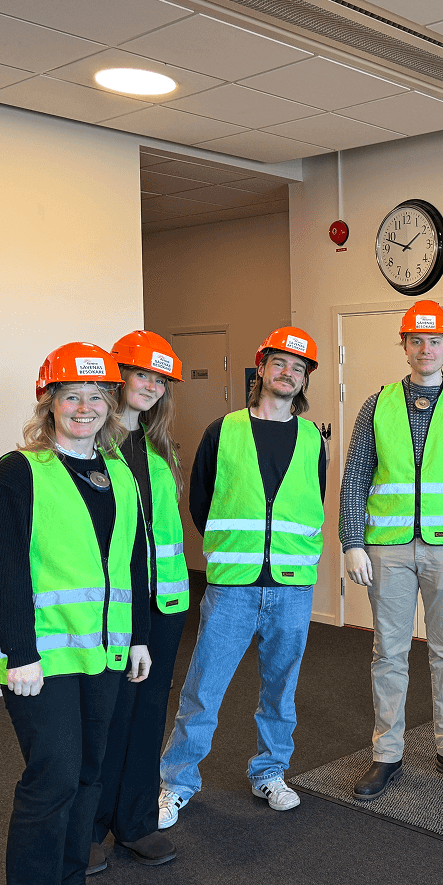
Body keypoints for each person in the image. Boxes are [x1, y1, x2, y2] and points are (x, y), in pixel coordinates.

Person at [0, 343, 150, 885]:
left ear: (110, 405)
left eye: (96, 396)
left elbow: (133, 564)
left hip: (103, 654)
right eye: (71, 395)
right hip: (41, 660)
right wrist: (18, 650)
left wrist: (139, 637)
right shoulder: (20, 471)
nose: (84, 407)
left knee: (88, 774)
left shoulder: (118, 473)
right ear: (49, 403)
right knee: (52, 777)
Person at [158, 326, 325, 826]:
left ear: (305, 379)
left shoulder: (312, 439)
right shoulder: (223, 430)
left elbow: (312, 501)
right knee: (203, 688)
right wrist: (235, 549)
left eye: (298, 368)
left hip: (292, 585)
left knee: (281, 690)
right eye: (280, 363)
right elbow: (201, 502)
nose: (288, 373)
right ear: (262, 368)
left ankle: (269, 772)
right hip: (233, 583)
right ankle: (176, 782)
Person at [341, 301, 443, 799]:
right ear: (404, 345)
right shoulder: (377, 404)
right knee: (388, 653)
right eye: (417, 340)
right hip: (386, 549)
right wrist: (352, 542)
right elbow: (355, 477)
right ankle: (386, 755)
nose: (425, 349)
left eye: (435, 341)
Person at [89, 332, 188, 873]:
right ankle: (88, 830)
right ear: (118, 376)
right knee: (108, 716)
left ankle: (135, 823)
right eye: (141, 374)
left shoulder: (157, 449)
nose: (150, 385)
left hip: (163, 605)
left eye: (159, 379)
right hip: (114, 607)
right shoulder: (91, 447)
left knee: (148, 714)